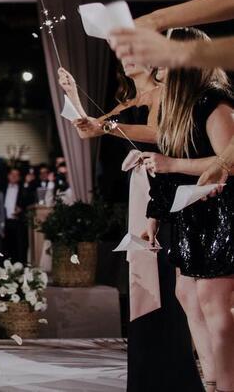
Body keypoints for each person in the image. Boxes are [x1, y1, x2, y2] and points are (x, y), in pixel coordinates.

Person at [59, 61, 202, 391]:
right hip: (139, 191)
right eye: (125, 56)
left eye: (137, 54)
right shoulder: (126, 102)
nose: (128, 59)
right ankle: (146, 373)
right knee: (141, 275)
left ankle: (174, 373)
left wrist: (109, 126)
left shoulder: (164, 93)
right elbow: (88, 129)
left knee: (165, 277)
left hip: (164, 189)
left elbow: (157, 134)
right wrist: (74, 94)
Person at [140, 27, 234, 392]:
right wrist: (154, 216)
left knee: (213, 303)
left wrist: (173, 164)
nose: (155, 65)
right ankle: (210, 381)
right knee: (187, 296)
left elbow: (228, 161)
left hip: (220, 213)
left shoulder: (215, 102)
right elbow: (166, 172)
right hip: (189, 215)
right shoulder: (176, 108)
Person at [1, 167, 32, 264]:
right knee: (7, 249)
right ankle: (8, 270)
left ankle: (22, 270)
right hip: (5, 223)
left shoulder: (23, 189)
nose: (14, 176)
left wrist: (21, 209)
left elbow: (29, 201)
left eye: (16, 175)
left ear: (19, 177)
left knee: (21, 249)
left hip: (19, 223)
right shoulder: (2, 188)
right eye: (12, 174)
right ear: (8, 176)